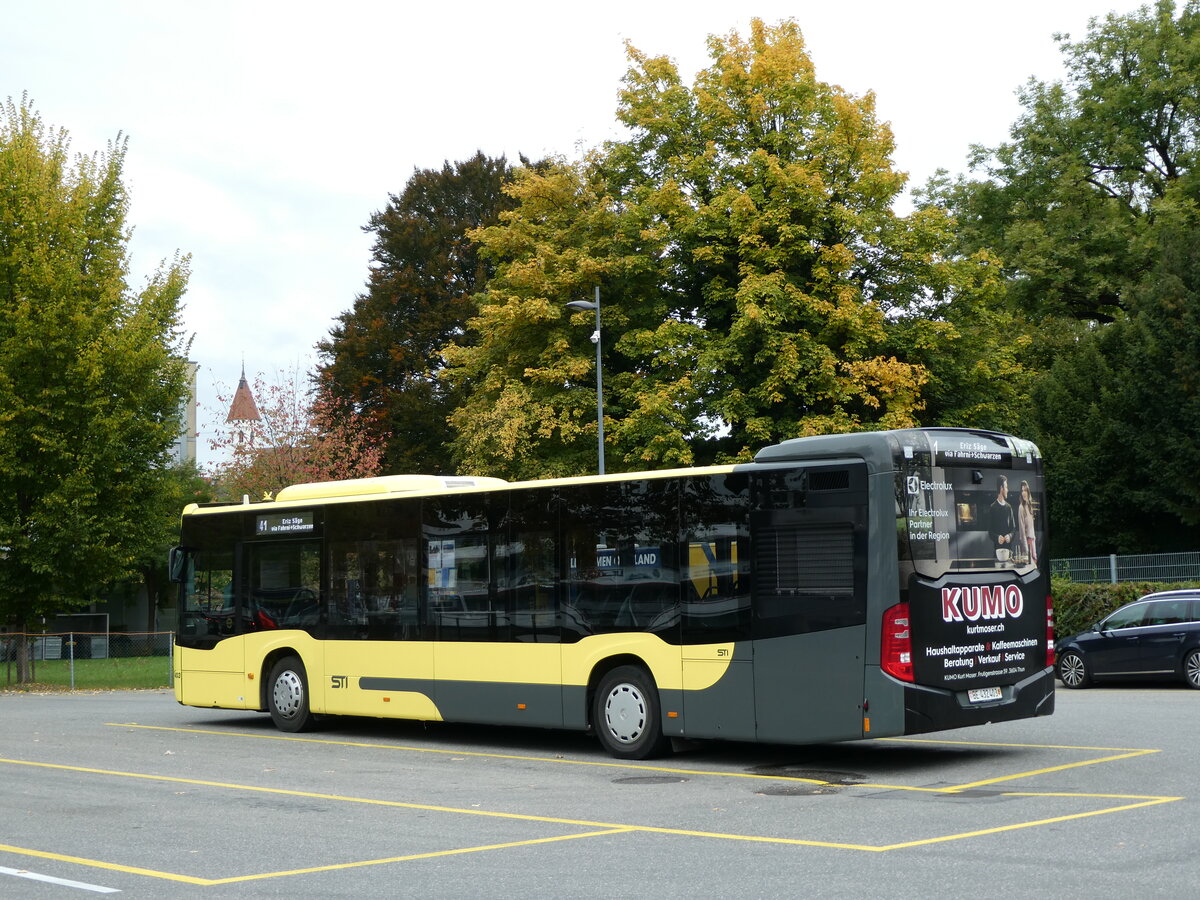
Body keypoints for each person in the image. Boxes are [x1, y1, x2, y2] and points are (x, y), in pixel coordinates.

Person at [987, 476, 1016, 560]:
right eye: (1006, 487)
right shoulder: (992, 507)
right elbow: (990, 531)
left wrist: (1010, 536)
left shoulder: (1009, 507)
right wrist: (997, 537)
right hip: (997, 554)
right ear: (1001, 488)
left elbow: (1014, 529)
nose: (1007, 490)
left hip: (1009, 554)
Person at [1018, 480, 1037, 566]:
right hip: (1027, 544)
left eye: (1025, 490)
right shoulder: (1021, 508)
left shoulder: (1030, 506)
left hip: (1032, 542)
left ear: (1028, 491)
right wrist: (1026, 550)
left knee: (1034, 567)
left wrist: (1034, 539)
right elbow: (1022, 533)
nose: (1023, 493)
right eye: (1022, 491)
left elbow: (1031, 527)